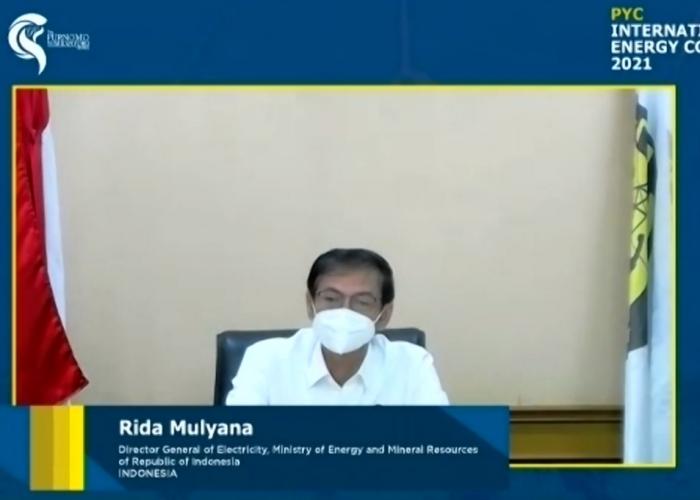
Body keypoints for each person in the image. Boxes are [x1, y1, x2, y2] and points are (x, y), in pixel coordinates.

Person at [225, 248, 449, 405]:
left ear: (384, 315)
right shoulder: (265, 359)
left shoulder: (412, 365)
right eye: (331, 299)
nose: (344, 311)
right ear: (310, 305)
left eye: (362, 302)